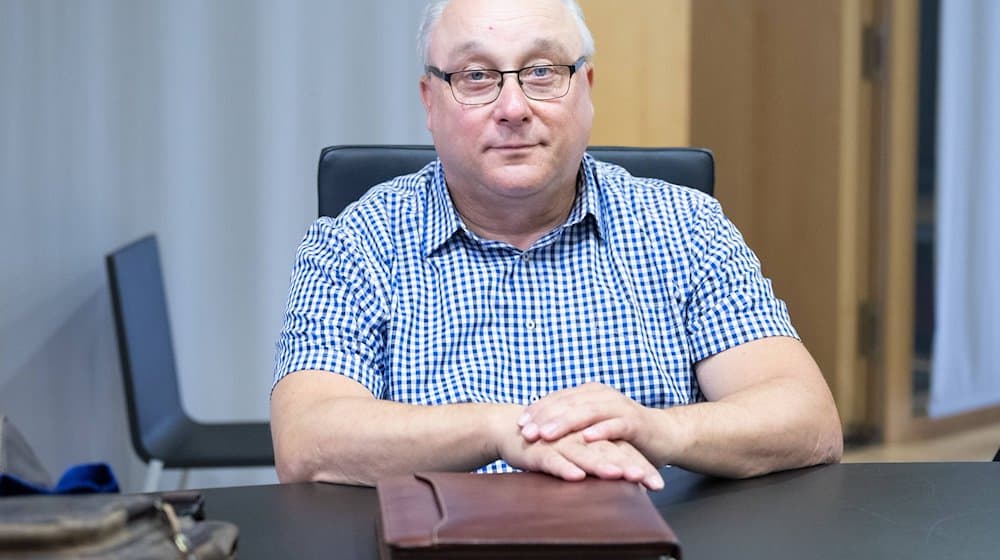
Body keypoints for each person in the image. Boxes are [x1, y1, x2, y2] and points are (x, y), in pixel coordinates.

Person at [270, 0, 843, 490]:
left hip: (650, 537)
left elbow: (808, 418)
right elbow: (309, 437)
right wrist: (503, 431)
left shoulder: (684, 226)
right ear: (429, 102)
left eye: (542, 71)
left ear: (586, 89)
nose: (513, 108)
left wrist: (660, 429)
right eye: (476, 76)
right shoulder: (356, 243)